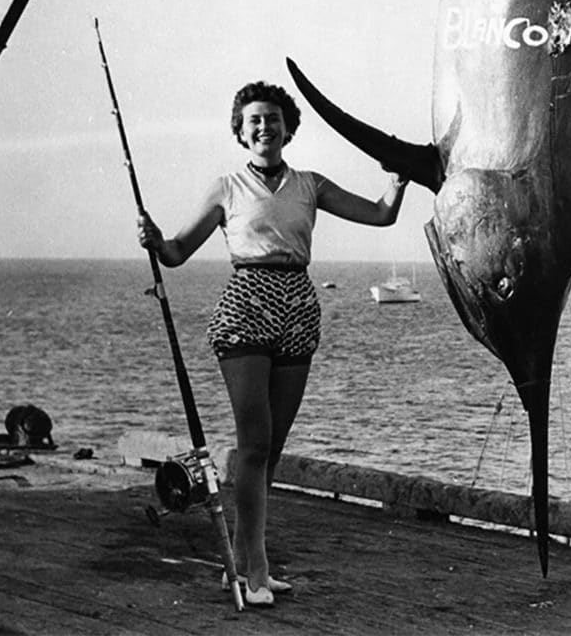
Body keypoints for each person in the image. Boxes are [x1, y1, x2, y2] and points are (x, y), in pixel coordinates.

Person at [137, 80, 408, 606]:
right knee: (254, 444)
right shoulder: (226, 188)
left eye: (274, 119)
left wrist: (399, 179)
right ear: (240, 131)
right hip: (246, 306)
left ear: (288, 128)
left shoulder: (310, 184)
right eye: (254, 120)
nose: (265, 127)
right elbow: (175, 253)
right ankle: (254, 572)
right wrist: (154, 237)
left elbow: (381, 214)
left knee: (270, 449)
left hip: (298, 306)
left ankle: (242, 561)